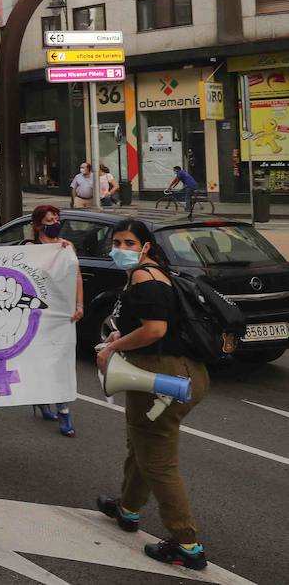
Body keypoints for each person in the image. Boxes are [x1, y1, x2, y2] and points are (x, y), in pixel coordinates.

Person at [96, 219, 210, 570]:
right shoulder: (158, 273)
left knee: (158, 461)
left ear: (145, 246)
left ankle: (187, 544)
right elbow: (154, 326)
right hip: (179, 373)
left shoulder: (145, 278)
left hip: (162, 378)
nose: (121, 248)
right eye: (116, 242)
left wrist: (111, 351)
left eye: (129, 242)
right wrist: (121, 337)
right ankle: (128, 509)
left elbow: (155, 329)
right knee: (142, 444)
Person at [24, 205, 82, 436]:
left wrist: (80, 305)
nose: (55, 222)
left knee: (60, 362)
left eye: (56, 218)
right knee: (43, 361)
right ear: (38, 225)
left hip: (62, 313)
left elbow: (76, 275)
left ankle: (64, 411)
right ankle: (45, 400)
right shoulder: (30, 248)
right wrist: (55, 253)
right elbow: (34, 278)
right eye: (49, 219)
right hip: (39, 315)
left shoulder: (67, 246)